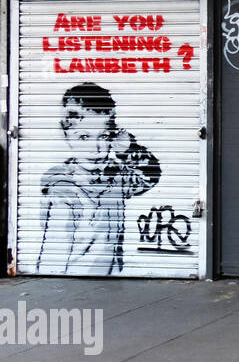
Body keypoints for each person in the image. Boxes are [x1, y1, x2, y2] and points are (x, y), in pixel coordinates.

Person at [37, 83, 161, 276]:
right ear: (66, 133)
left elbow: (149, 176)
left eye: (103, 137)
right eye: (84, 137)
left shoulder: (115, 176)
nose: (95, 148)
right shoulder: (64, 190)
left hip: (111, 277)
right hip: (72, 281)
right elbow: (53, 253)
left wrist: (129, 149)